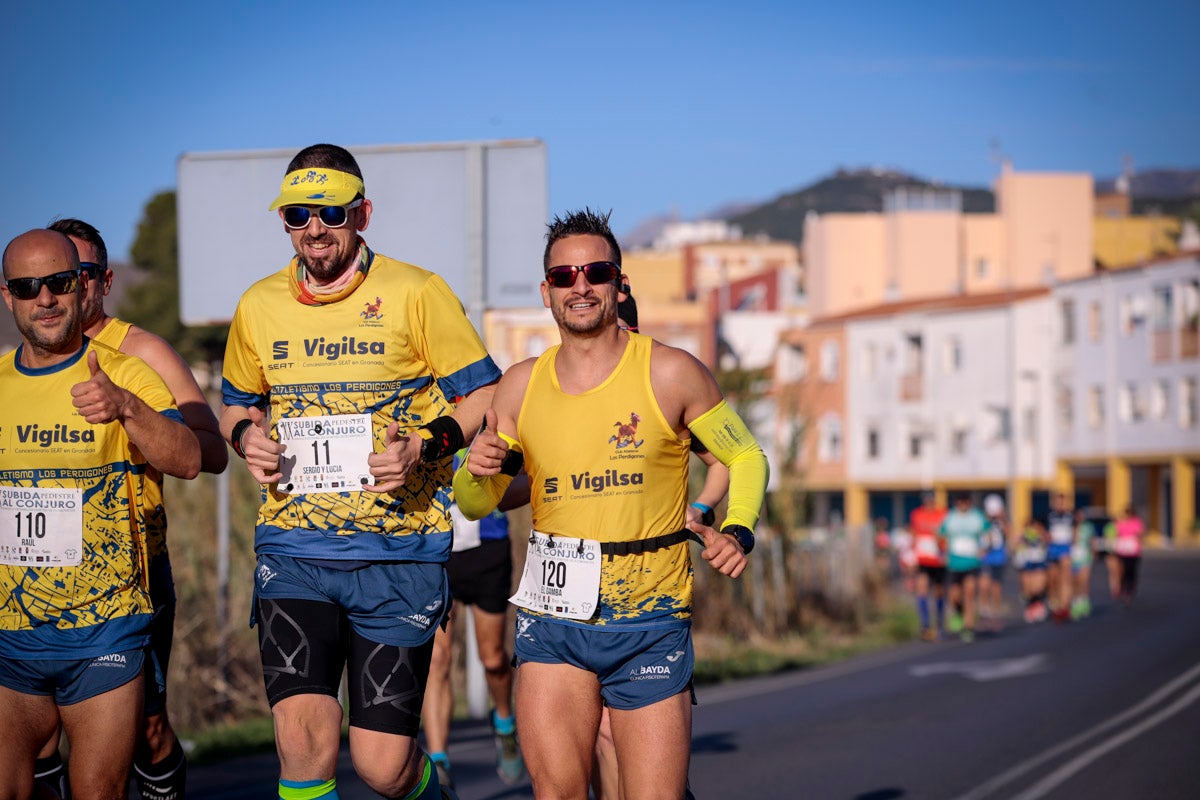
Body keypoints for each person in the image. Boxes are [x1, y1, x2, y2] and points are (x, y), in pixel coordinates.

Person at [454, 208, 767, 800]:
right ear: (546, 291)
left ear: (618, 283)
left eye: (595, 272)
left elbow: (746, 457)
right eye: (565, 275)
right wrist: (478, 470)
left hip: (648, 617)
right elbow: (475, 504)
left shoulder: (672, 372)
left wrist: (738, 530)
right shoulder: (519, 384)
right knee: (557, 793)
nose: (581, 285)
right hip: (552, 617)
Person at [219, 144, 500, 800]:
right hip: (294, 551)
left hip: (397, 554)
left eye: (331, 212)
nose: (314, 228)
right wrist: (244, 436)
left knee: (382, 767)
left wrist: (424, 448)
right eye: (297, 214)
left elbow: (484, 396)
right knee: (304, 745)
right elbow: (235, 400)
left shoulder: (417, 292)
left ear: (362, 213)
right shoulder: (258, 304)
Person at [27, 218, 230, 800]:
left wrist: (134, 413)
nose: (66, 290)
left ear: (104, 280)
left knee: (144, 731)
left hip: (131, 575)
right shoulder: (22, 361)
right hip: (37, 578)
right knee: (38, 737)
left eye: (80, 275)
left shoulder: (138, 351)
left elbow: (209, 452)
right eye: (51, 278)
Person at [589, 282, 731, 800]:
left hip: (653, 593)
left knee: (647, 757)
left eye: (625, 328)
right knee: (603, 740)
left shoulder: (659, 383)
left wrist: (702, 510)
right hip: (577, 598)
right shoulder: (575, 388)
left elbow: (723, 461)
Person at [421, 452, 528, 790]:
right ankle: (439, 762)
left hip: (487, 548)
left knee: (493, 658)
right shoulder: (425, 404)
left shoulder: (487, 409)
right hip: (437, 549)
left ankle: (504, 723)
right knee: (437, 658)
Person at [939, 493, 989, 642]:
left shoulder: (977, 517)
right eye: (960, 502)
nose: (963, 505)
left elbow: (988, 534)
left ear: (969, 503)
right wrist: (942, 553)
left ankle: (968, 627)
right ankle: (959, 613)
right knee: (955, 596)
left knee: (969, 593)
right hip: (954, 562)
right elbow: (940, 535)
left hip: (972, 562)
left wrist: (984, 549)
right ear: (956, 503)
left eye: (965, 502)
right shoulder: (950, 518)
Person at [909, 492, 948, 641]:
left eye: (931, 500)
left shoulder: (942, 514)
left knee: (939, 591)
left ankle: (939, 624)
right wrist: (911, 556)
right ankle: (925, 625)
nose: (929, 502)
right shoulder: (917, 514)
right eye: (927, 500)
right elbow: (914, 534)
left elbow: (946, 535)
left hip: (938, 559)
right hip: (923, 559)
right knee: (922, 589)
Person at [977, 493, 1009, 629]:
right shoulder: (983, 522)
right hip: (986, 558)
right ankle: (984, 612)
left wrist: (1002, 519)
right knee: (984, 585)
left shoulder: (1002, 522)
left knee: (996, 588)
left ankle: (996, 615)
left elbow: (1009, 533)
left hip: (999, 558)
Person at [1045, 492, 1076, 623]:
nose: (1060, 504)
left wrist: (1074, 542)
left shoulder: (1071, 516)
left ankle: (1065, 606)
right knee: (1053, 579)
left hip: (1065, 548)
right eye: (1058, 502)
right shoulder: (1048, 516)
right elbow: (1040, 529)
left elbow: (1075, 531)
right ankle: (1055, 603)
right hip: (1053, 549)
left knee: (1066, 578)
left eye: (1062, 502)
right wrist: (1046, 537)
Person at [1013, 518, 1050, 623]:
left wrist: (1042, 534)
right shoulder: (1023, 536)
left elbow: (1048, 541)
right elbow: (1015, 546)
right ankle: (1031, 606)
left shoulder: (1041, 534)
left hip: (1039, 562)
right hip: (1027, 563)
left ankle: (1039, 605)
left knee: (1038, 587)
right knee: (1028, 588)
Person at [1112, 505, 1146, 604]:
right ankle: (1122, 587)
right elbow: (1115, 533)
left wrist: (1137, 536)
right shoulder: (1120, 522)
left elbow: (1141, 534)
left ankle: (1130, 589)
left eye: (1129, 512)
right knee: (1122, 570)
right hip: (1122, 551)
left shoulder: (1137, 522)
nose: (1128, 515)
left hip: (1133, 551)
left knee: (1132, 571)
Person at [1069, 508, 1096, 620]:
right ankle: (1076, 603)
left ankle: (1084, 602)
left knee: (1083, 580)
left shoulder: (1088, 527)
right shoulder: (1071, 528)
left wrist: (1093, 553)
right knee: (1075, 582)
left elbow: (1092, 540)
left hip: (1085, 558)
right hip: (1073, 559)